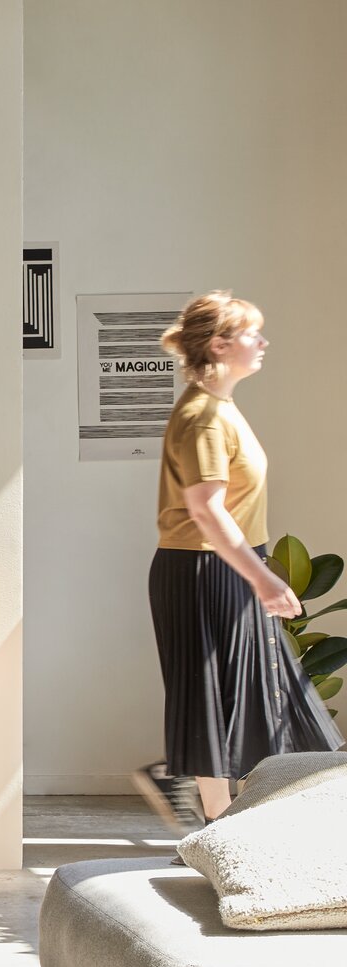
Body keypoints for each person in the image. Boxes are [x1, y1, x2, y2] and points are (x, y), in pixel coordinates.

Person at [134, 290, 343, 830]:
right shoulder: (203, 416)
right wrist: (264, 579)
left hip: (223, 565)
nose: (264, 342)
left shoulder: (218, 409)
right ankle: (213, 814)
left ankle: (211, 809)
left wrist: (256, 571)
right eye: (254, 333)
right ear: (221, 344)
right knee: (225, 692)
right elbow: (205, 509)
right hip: (206, 568)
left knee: (252, 692)